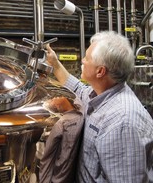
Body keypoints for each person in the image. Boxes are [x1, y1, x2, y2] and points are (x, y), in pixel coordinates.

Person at [45, 31, 153, 182]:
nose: (82, 60)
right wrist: (55, 64)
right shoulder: (98, 93)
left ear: (100, 71)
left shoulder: (122, 122)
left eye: (87, 58)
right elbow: (78, 88)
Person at [38, 96, 84, 183]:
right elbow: (48, 157)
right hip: (62, 176)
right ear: (57, 106)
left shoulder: (80, 109)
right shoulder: (63, 123)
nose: (55, 97)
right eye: (53, 99)